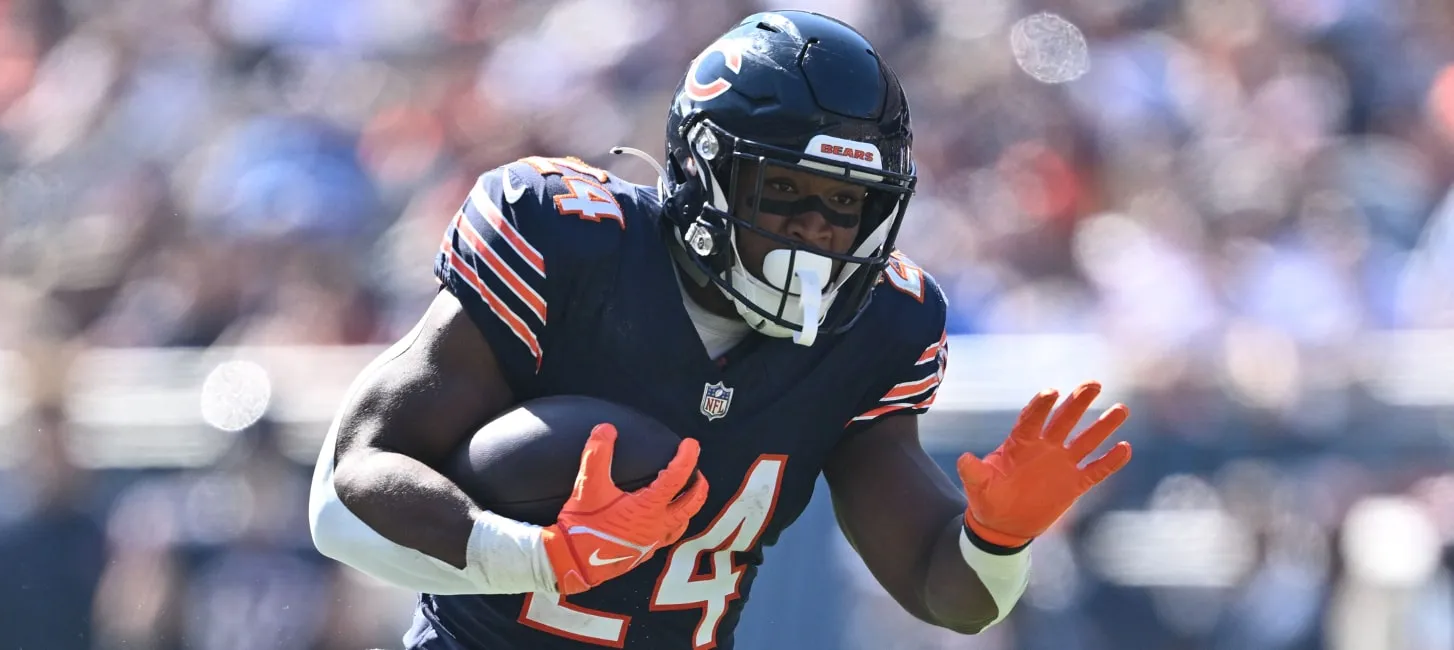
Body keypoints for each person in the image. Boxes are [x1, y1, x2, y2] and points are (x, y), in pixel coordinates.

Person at [309, 10, 1133, 650]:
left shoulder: (880, 328)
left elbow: (949, 594)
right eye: (785, 190)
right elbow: (346, 496)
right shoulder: (567, 242)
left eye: (845, 202)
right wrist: (540, 558)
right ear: (705, 171)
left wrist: (997, 538)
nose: (816, 228)